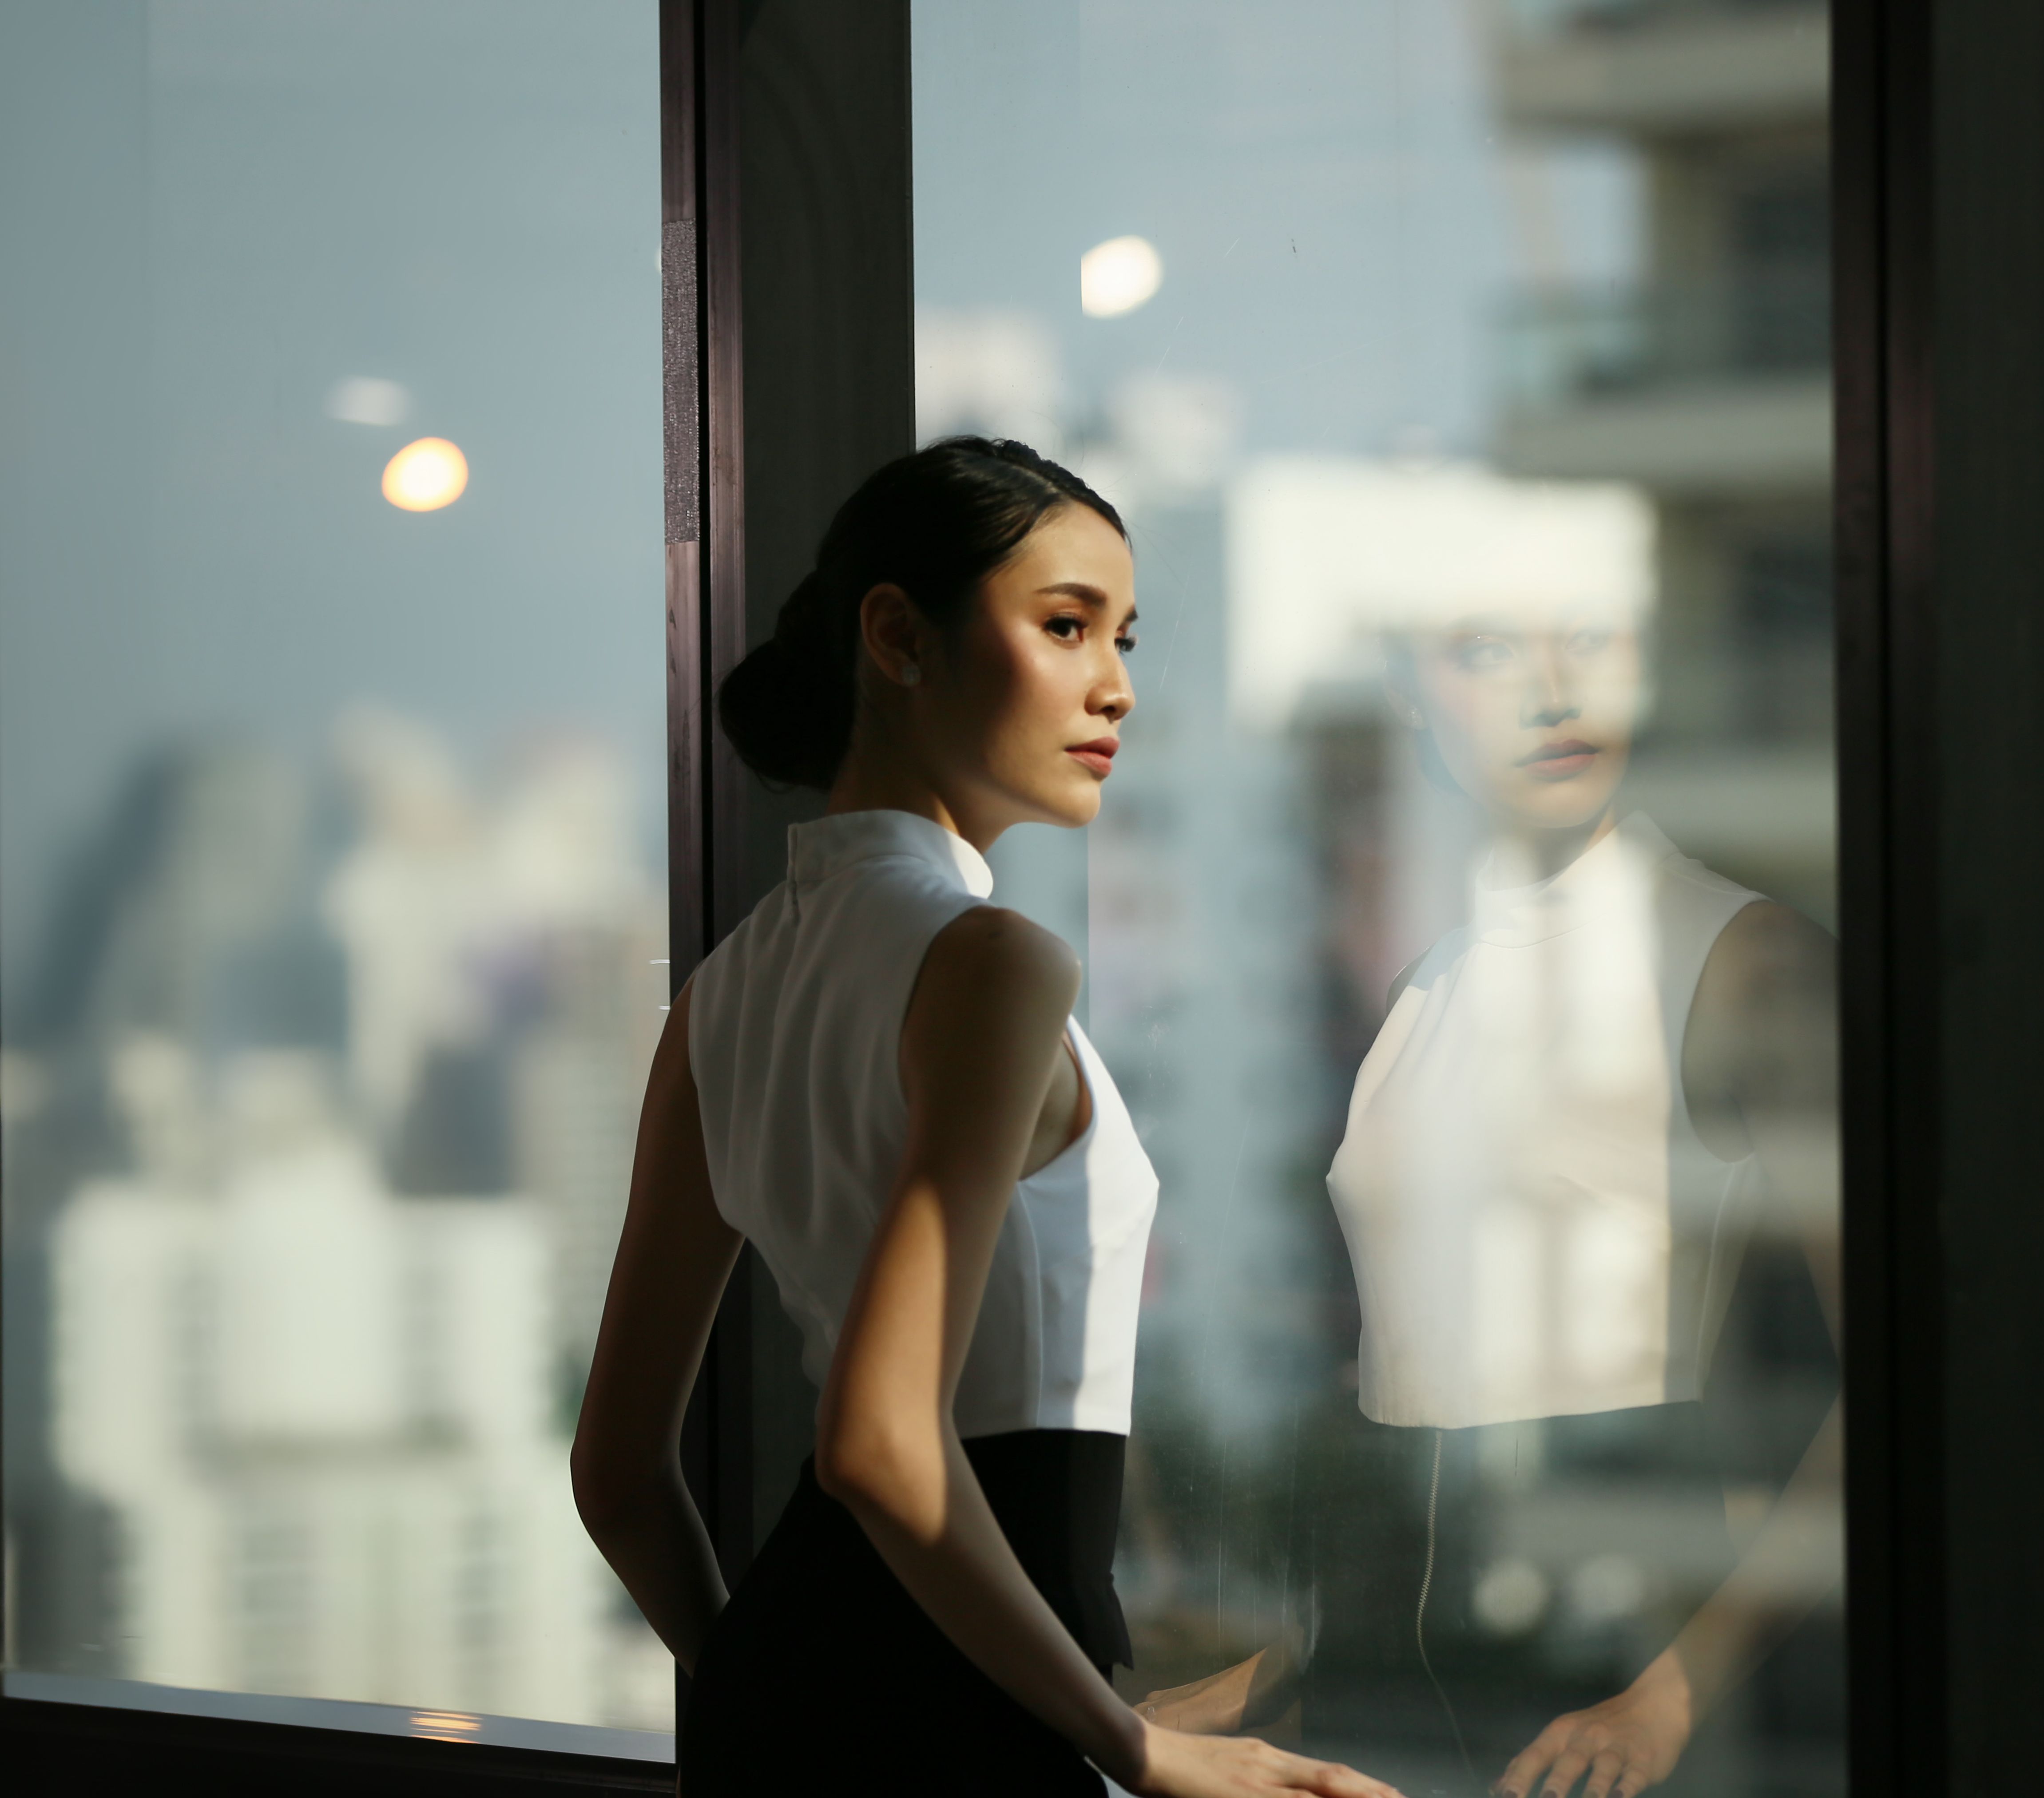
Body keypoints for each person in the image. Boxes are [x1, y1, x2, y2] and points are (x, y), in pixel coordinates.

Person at [569, 438, 1402, 1798]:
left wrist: (765, 1688)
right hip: (972, 1724)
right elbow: (880, 1439)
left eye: (1124, 636)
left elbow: (615, 1467)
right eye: (1066, 626)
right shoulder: (991, 963)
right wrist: (1130, 1741)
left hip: (792, 1704)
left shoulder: (717, 998)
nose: (1118, 686)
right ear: (896, 635)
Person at [1139, 607, 1840, 1798]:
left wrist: (1669, 1693)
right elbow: (1418, 1412)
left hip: (1614, 1681)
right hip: (1402, 1689)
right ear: (1416, 700)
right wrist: (1298, 1661)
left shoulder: (1737, 959)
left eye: (1591, 641)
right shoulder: (1426, 991)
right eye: (1488, 653)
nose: (1554, 692)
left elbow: (1895, 1376)